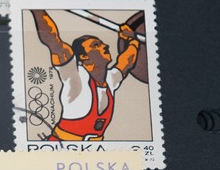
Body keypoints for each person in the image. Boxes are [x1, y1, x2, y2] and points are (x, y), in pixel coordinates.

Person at [30, 9, 141, 142]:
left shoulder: (110, 80)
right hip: (61, 149)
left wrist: (132, 40)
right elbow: (53, 40)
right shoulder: (75, 76)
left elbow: (127, 62)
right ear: (83, 56)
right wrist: (37, 9)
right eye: (96, 45)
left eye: (102, 43)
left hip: (91, 152)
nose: (105, 46)